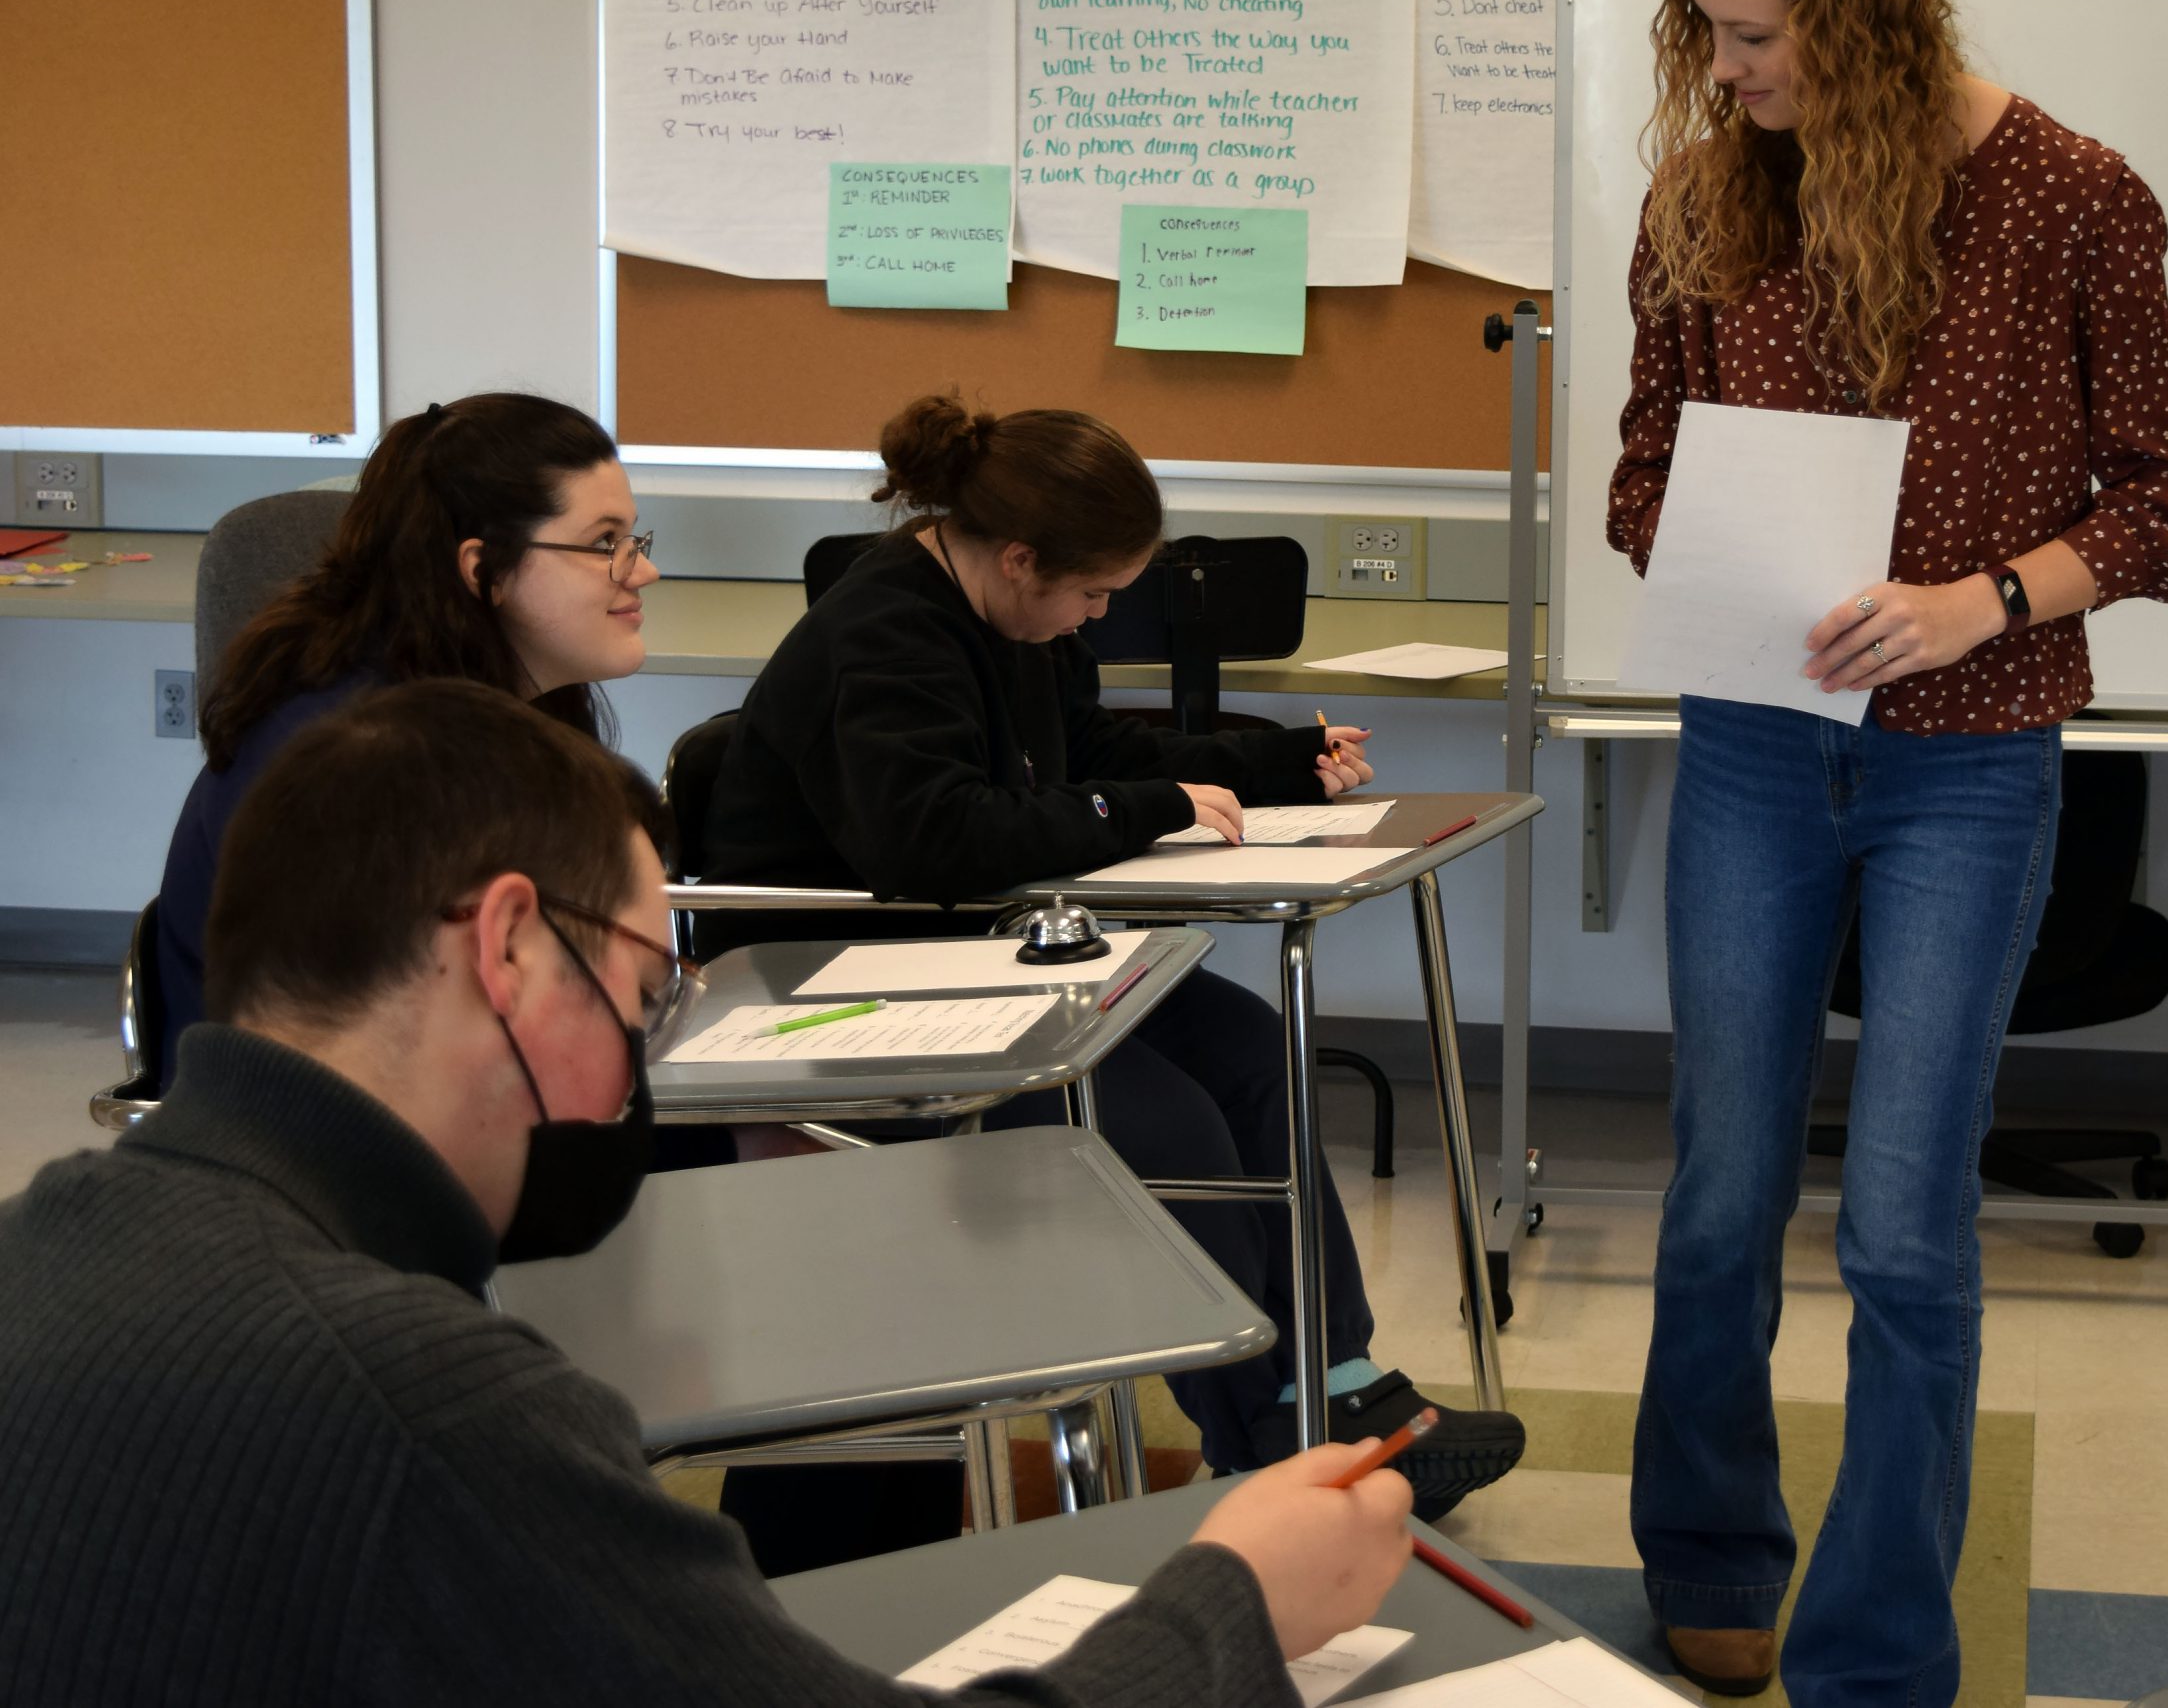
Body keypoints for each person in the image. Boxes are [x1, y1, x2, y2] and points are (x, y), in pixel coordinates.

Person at [0, 679, 1418, 1705]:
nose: (642, 1068)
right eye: (641, 986)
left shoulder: (50, 1243)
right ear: (507, 949)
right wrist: (1234, 1602)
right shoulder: (426, 1407)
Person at [1609, 0, 2168, 1707]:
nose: (1728, 76)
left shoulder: (2071, 196)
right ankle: (1711, 1549)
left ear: (1871, 17)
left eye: (1760, 40)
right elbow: (1643, 465)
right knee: (1724, 1182)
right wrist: (1701, 543)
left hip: (1972, 762)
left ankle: (1880, 1650)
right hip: (1748, 745)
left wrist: (1985, 598)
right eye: (1709, 37)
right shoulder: (1714, 201)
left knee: (1904, 1222)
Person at [704, 394, 1527, 1524]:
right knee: (1157, 1120)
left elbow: (1086, 752)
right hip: (847, 998)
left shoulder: (1005, 616)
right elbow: (939, 835)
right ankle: (1277, 1438)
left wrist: (1273, 760)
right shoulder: (884, 631)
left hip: (979, 964)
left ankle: (1342, 1382)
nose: (1098, 613)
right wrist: (1151, 803)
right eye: (1090, 594)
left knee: (1247, 1049)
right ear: (1017, 557)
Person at [156, 390, 657, 1071]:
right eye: (605, 543)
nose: (643, 571)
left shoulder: (492, 704)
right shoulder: (359, 760)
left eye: (632, 539)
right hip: (317, 1125)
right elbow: (386, 1039)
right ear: (483, 571)